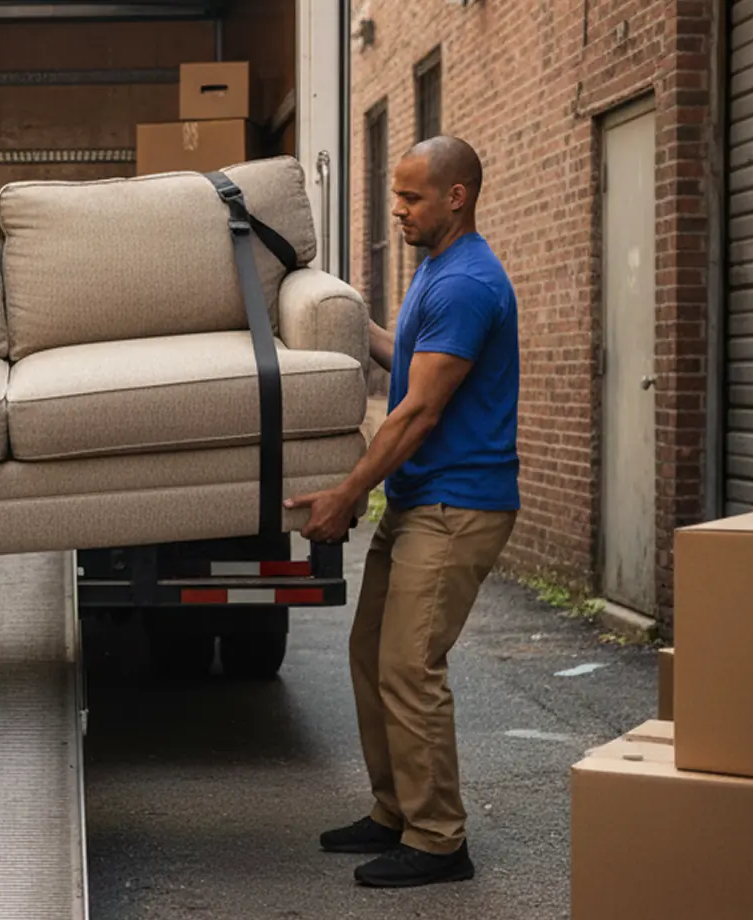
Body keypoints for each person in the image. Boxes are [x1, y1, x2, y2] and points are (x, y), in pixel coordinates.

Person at [284, 135, 520, 889]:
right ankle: (393, 810)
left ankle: (439, 838)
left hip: (458, 504)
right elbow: (405, 358)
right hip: (424, 498)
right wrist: (344, 321)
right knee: (369, 654)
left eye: (412, 197)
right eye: (398, 194)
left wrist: (346, 493)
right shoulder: (433, 273)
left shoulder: (467, 283)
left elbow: (418, 411)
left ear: (458, 196)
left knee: (410, 666)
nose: (399, 209)